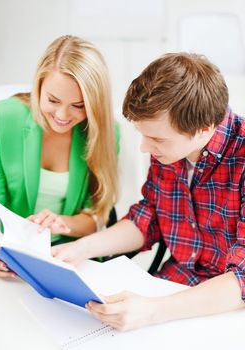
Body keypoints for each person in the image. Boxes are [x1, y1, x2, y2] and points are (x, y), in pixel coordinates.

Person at [52, 52, 245, 331]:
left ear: (204, 130)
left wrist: (153, 311)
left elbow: (241, 278)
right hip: (169, 286)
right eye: (143, 135)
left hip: (224, 308)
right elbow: (150, 216)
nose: (144, 147)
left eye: (156, 139)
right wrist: (84, 248)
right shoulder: (170, 147)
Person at [0, 35, 119, 277]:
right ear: (38, 86)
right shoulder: (2, 117)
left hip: (70, 252)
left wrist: (62, 222)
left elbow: (96, 216)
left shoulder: (104, 132)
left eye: (78, 105)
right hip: (8, 249)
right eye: (53, 100)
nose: (62, 115)